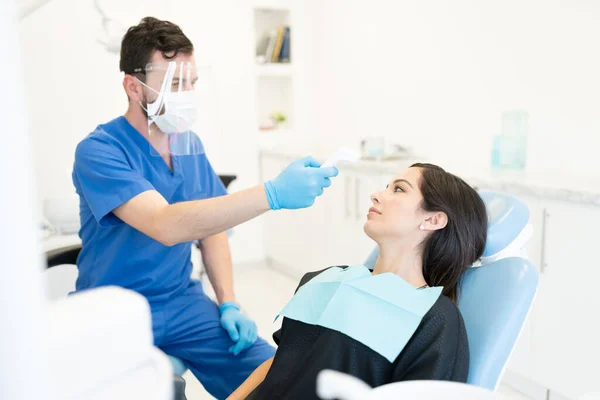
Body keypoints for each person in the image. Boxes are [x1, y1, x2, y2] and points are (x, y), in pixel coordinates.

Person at [71, 17, 338, 399]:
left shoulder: (187, 143)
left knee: (278, 377)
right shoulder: (100, 150)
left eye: (191, 82)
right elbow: (165, 224)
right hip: (117, 307)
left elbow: (210, 228)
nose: (188, 93)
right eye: (175, 83)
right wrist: (272, 194)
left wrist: (228, 301)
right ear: (133, 86)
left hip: (181, 302)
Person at [228, 163, 488, 400]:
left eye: (398, 189)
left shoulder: (433, 318)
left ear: (433, 219)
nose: (376, 195)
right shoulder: (324, 279)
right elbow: (280, 360)